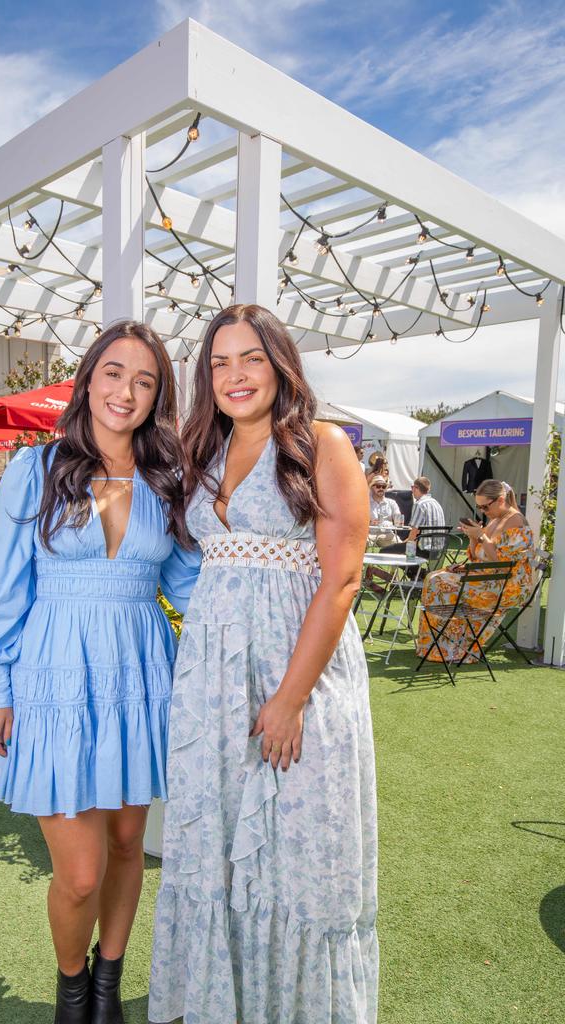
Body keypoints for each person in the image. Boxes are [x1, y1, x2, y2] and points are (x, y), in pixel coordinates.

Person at [0, 321, 200, 1024]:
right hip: (54, 677)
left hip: (140, 675)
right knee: (79, 872)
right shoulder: (36, 467)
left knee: (129, 847)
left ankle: (106, 988)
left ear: (158, 397)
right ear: (89, 379)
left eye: (145, 380)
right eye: (114, 373)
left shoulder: (167, 479)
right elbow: (6, 591)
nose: (126, 390)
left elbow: (186, 585)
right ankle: (70, 991)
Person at [150, 304, 377, 1024]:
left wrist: (290, 698)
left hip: (297, 675)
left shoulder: (322, 443)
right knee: (214, 841)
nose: (233, 375)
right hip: (210, 681)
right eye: (218, 362)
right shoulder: (200, 450)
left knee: (300, 849)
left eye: (250, 358)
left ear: (280, 364)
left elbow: (341, 579)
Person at [416, 479, 535, 663]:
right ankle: (438, 644)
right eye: (479, 507)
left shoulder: (516, 521)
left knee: (440, 582)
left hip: (508, 585)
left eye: (485, 507)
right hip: (489, 576)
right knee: (433, 577)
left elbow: (502, 563)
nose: (482, 511)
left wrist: (481, 535)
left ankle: (452, 646)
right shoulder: (495, 520)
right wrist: (473, 537)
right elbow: (477, 557)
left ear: (500, 500)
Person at [381, 476, 445, 556]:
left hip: (424, 549)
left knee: (384, 551)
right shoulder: (436, 503)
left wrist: (404, 545)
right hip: (439, 549)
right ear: (428, 489)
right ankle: (416, 568)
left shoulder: (419, 504)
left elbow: (414, 532)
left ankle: (413, 568)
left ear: (415, 488)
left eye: (412, 487)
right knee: (401, 547)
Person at [368, 474, 399, 548]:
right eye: (378, 486)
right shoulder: (366, 503)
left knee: (399, 546)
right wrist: (370, 522)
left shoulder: (392, 502)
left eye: (383, 486)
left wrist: (388, 523)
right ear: (372, 487)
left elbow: (398, 519)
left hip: (387, 534)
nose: (381, 488)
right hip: (370, 534)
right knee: (362, 543)